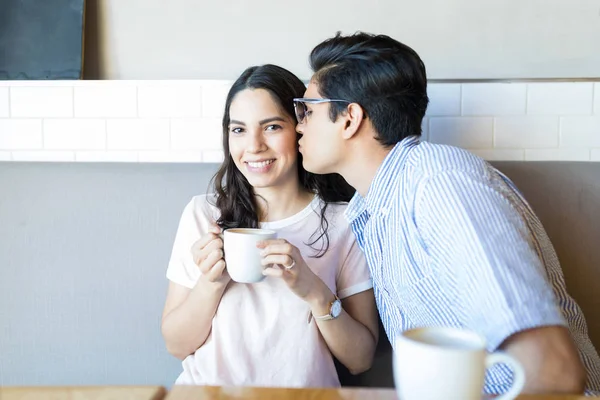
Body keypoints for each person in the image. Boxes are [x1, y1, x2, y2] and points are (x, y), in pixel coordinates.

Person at [294, 32, 600, 395]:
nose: (299, 124)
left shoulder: (438, 184)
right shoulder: (373, 208)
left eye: (308, 110)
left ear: (349, 119)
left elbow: (553, 370)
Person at [161, 64, 378, 387]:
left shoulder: (343, 221)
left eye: (272, 127)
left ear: (300, 128)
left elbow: (360, 360)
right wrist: (211, 283)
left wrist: (314, 291)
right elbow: (177, 345)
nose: (254, 146)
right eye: (239, 130)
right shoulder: (203, 214)